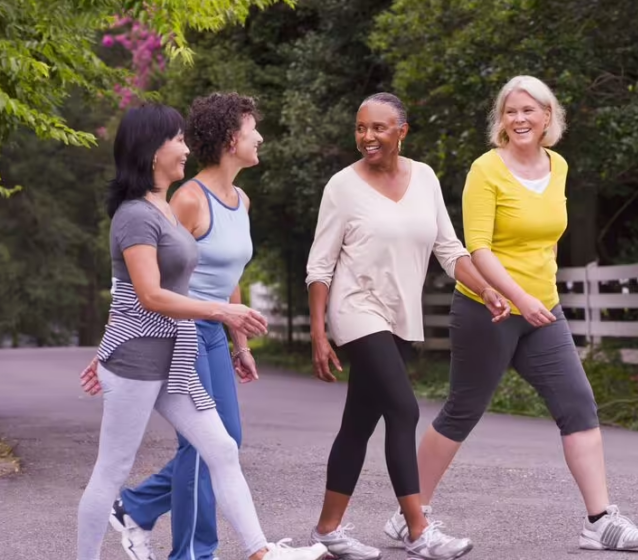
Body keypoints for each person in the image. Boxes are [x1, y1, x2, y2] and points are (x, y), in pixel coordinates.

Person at [382, 75, 638, 552]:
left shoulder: (560, 166)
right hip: (487, 311)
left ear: (548, 117)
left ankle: (600, 521)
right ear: (501, 120)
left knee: (578, 404)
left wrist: (538, 296)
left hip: (542, 311)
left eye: (530, 110)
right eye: (511, 111)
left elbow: (546, 239)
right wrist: (517, 297)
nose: (520, 119)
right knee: (463, 410)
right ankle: (412, 514)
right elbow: (479, 250)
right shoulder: (485, 170)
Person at [76, 102, 327, 560]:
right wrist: (223, 314)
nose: (187, 148)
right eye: (177, 139)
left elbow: (147, 287)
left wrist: (232, 333)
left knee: (222, 449)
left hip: (175, 356)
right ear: (153, 150)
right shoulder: (136, 214)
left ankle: (260, 552)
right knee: (111, 471)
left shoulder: (162, 210)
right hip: (137, 364)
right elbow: (147, 294)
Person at [304, 92, 510, 560]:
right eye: (360, 128)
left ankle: (327, 529)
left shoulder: (425, 178)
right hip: (356, 309)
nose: (367, 137)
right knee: (403, 410)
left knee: (358, 423)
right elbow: (320, 266)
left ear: (402, 130)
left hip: (399, 315)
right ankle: (418, 529)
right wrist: (320, 332)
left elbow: (449, 249)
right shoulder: (342, 186)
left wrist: (488, 290)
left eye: (378, 127)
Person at [88, 92, 264, 560]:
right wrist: (113, 343)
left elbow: (230, 278)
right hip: (184, 330)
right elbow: (155, 280)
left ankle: (138, 507)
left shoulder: (241, 200)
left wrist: (239, 342)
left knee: (226, 442)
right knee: (201, 448)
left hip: (213, 330)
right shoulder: (185, 199)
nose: (260, 137)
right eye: (253, 130)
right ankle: (191, 552)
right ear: (232, 139)